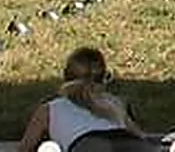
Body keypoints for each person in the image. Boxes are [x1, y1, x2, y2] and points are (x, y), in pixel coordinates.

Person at [17, 46, 149, 152]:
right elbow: (141, 136)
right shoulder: (114, 102)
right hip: (128, 141)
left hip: (87, 144)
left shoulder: (50, 109)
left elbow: (25, 148)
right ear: (104, 79)